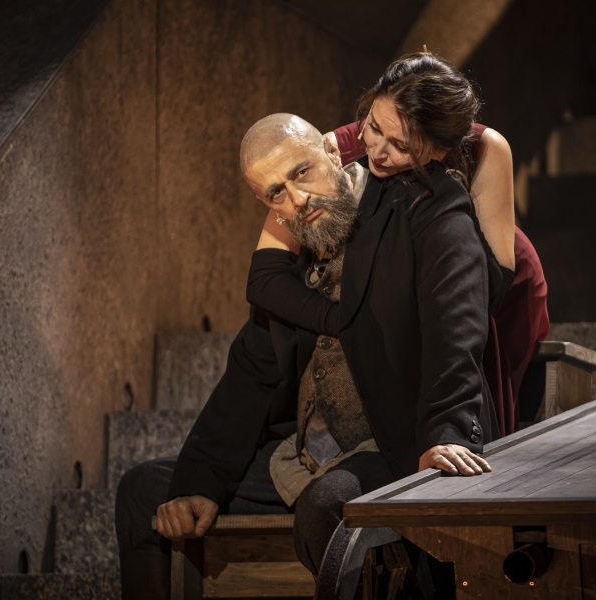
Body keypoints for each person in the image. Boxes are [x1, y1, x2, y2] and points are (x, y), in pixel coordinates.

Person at [116, 55, 495, 600]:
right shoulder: (290, 256)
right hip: (305, 456)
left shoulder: (423, 202)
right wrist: (199, 483)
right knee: (143, 491)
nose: (298, 200)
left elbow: (456, 326)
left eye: (301, 174)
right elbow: (252, 374)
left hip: (394, 443)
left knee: (328, 506)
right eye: (276, 193)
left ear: (332, 151)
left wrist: (446, 435)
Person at [249, 52, 550, 437]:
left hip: (494, 273)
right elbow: (265, 278)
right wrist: (349, 320)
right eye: (374, 127)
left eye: (401, 146)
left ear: (440, 151)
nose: (376, 151)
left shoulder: (485, 146)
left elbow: (488, 287)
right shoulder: (334, 147)